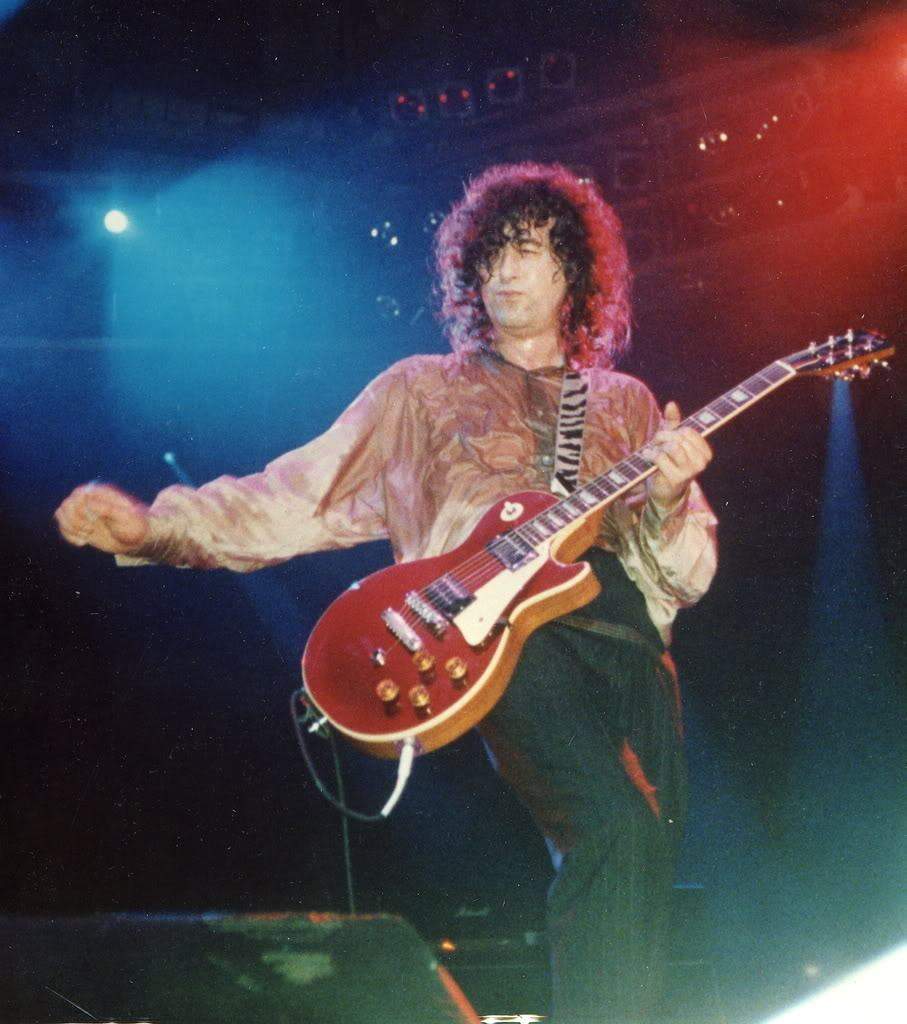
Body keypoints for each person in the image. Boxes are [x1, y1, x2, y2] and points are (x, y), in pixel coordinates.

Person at [56, 162, 716, 1023]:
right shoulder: (419, 390)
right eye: (491, 254)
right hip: (507, 643)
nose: (504, 272)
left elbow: (684, 573)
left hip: (630, 650)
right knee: (612, 829)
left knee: (641, 868)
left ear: (574, 273)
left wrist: (667, 498)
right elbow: (296, 496)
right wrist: (154, 528)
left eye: (529, 251)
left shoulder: (625, 403)